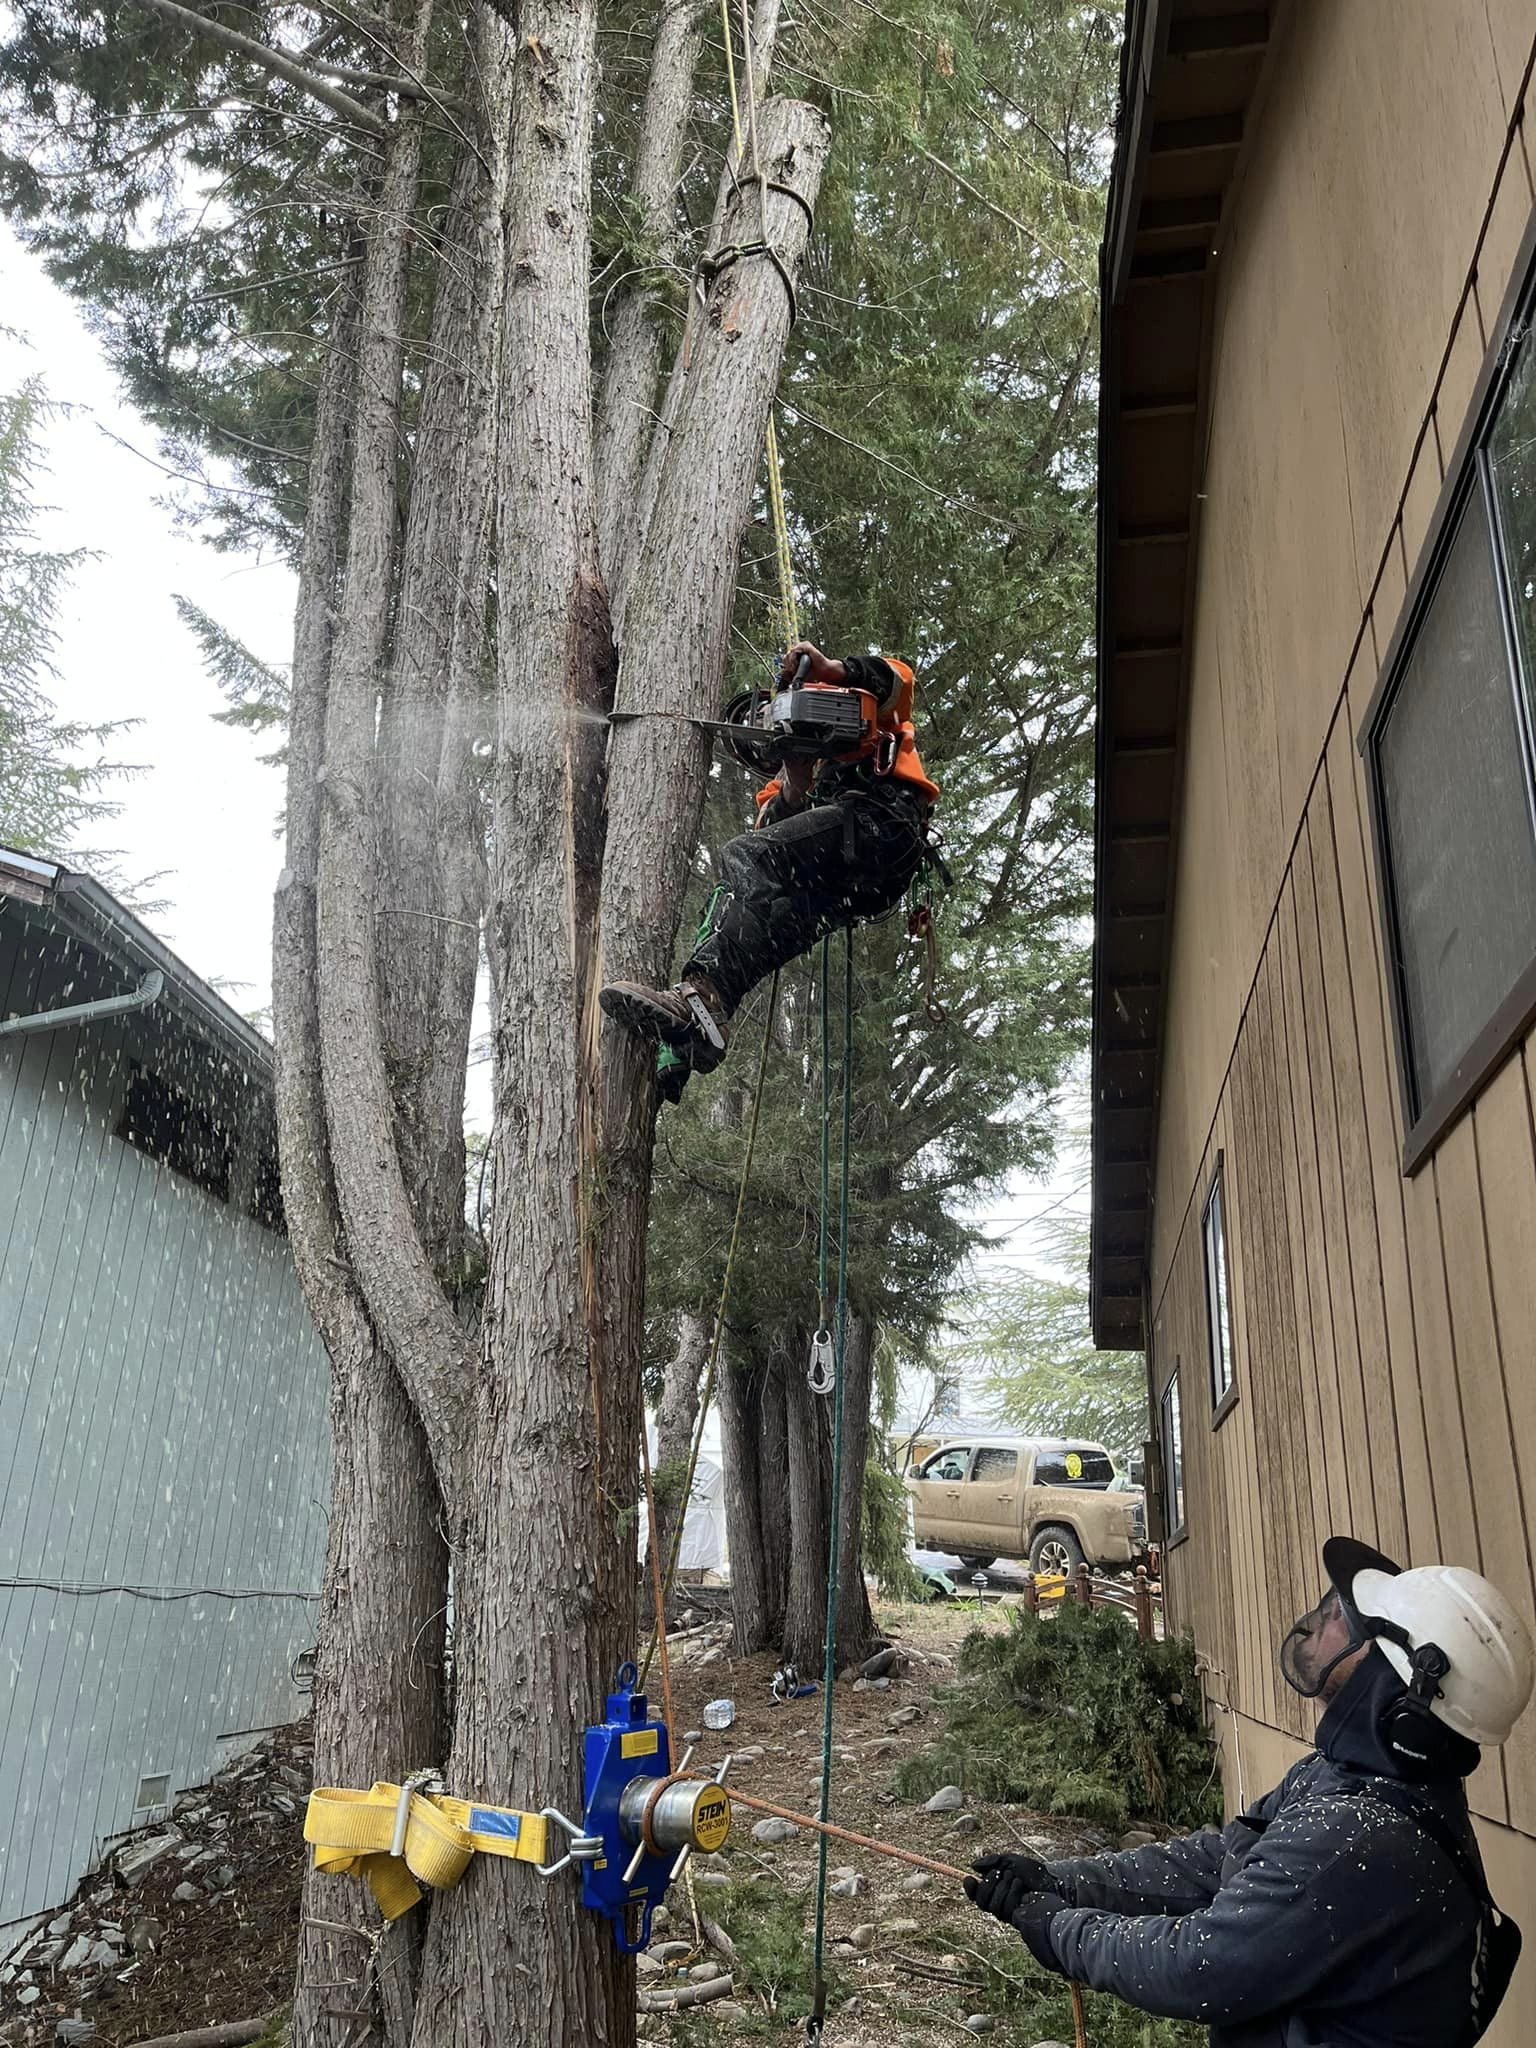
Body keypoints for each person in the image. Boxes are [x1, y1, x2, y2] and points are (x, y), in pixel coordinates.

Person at [967, 1536, 1534, 2046]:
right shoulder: (1356, 1778)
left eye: (1348, 1621)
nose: (1320, 1623)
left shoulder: (1359, 1838)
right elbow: (1219, 1858)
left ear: (1403, 1693)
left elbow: (1200, 1964)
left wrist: (1055, 1929)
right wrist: (1062, 1882)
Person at [599, 641, 939, 1085]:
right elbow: (772, 836)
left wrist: (831, 669)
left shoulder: (859, 704)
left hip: (883, 824)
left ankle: (699, 992)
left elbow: (899, 681)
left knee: (742, 855)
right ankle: (697, 1025)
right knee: (766, 934)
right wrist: (795, 785)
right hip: (851, 886)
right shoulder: (779, 786)